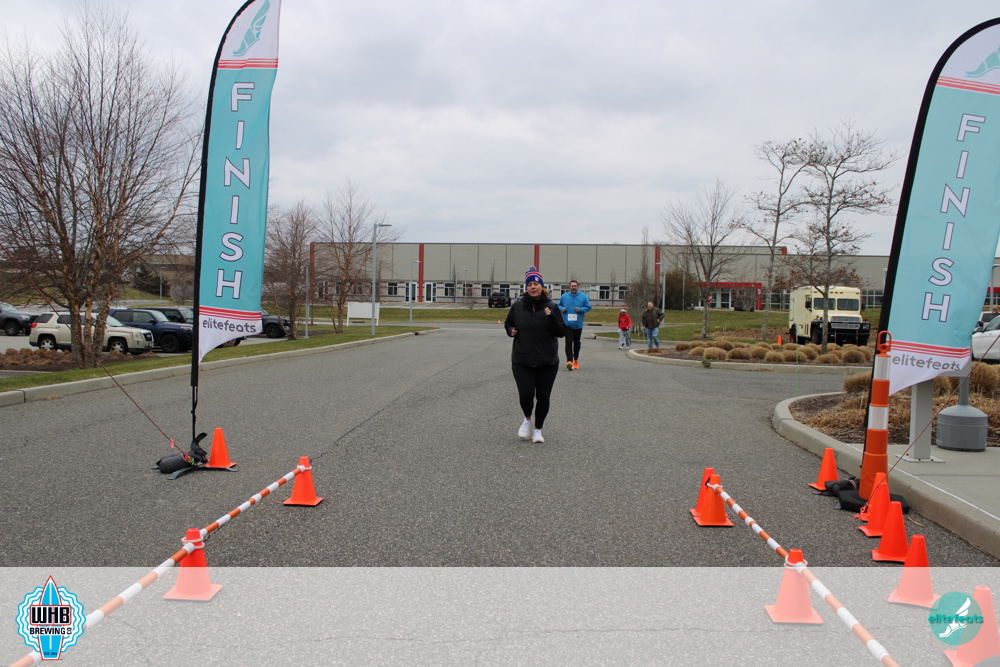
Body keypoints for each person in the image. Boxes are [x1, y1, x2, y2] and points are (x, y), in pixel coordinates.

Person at [504, 266, 567, 443]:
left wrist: (551, 317)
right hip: (522, 360)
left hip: (547, 361)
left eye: (536, 284)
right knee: (525, 395)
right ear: (526, 287)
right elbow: (508, 323)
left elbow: (561, 332)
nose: (533, 287)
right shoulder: (517, 307)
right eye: (530, 284)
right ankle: (527, 419)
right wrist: (510, 330)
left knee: (543, 397)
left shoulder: (551, 307)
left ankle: (538, 430)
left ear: (542, 286)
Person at [557, 280, 592, 370]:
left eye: (575, 286)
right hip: (567, 324)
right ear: (570, 287)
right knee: (568, 342)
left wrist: (580, 309)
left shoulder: (583, 297)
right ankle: (569, 361)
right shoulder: (564, 296)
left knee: (576, 343)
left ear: (578, 287)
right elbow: (558, 305)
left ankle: (576, 359)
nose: (573, 287)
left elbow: (588, 307)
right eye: (572, 286)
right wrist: (562, 309)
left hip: (578, 324)